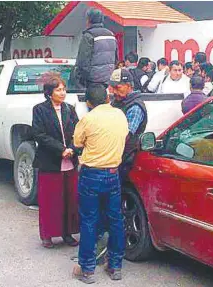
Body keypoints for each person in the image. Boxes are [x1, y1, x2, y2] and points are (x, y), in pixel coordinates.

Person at [72, 86, 129, 284]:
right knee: (116, 220)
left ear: (88, 103)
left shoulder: (88, 119)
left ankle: (87, 269)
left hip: (91, 175)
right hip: (113, 174)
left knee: (89, 220)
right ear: (107, 98)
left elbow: (78, 143)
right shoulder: (120, 115)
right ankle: (115, 266)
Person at [31, 77, 80, 249]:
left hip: (70, 161)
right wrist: (61, 149)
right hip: (50, 161)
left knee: (69, 199)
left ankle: (67, 233)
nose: (62, 93)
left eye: (64, 89)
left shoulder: (70, 109)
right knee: (50, 200)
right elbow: (39, 134)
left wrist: (72, 149)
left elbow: (78, 131)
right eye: (58, 90)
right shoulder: (39, 110)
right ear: (49, 93)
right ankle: (47, 235)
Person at [109, 68, 148, 181]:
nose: (114, 92)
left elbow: (125, 136)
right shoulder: (117, 102)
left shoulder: (135, 108)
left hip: (124, 158)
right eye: (113, 88)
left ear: (129, 86)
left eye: (118, 87)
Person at [75, 9, 118, 89]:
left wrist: (82, 81)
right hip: (108, 82)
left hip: (92, 83)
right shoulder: (111, 35)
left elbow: (83, 62)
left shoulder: (88, 36)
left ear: (88, 20)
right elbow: (116, 59)